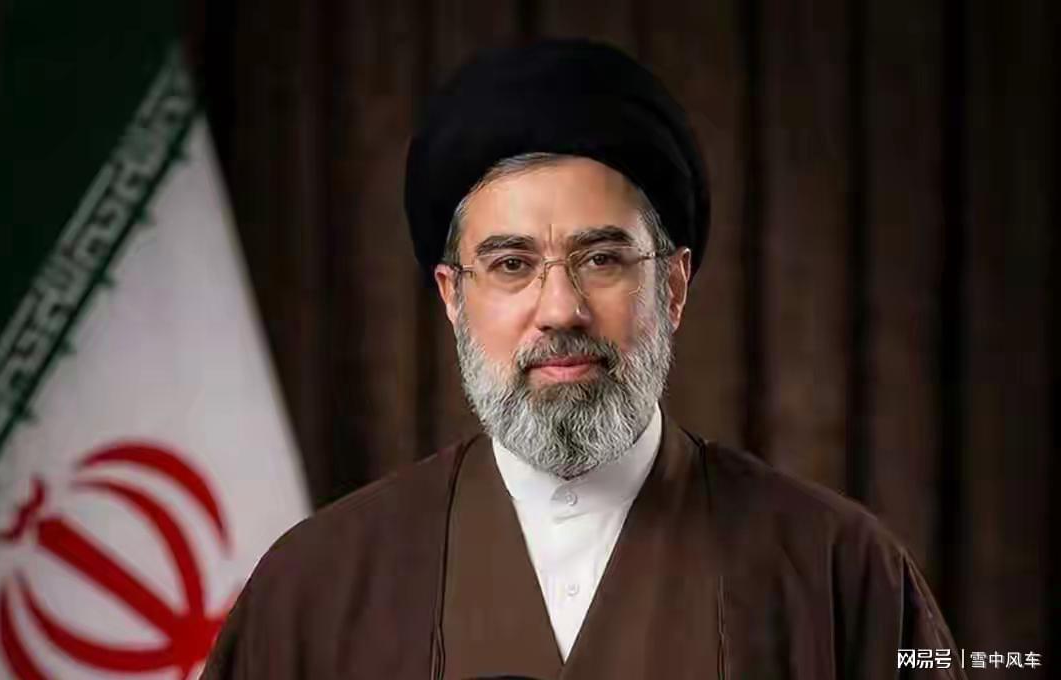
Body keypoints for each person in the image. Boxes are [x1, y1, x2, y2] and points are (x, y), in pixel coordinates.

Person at [203, 39, 964, 680]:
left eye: (601, 259)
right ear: (453, 295)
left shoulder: (838, 572)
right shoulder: (314, 591)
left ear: (673, 286)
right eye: (511, 265)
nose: (560, 309)